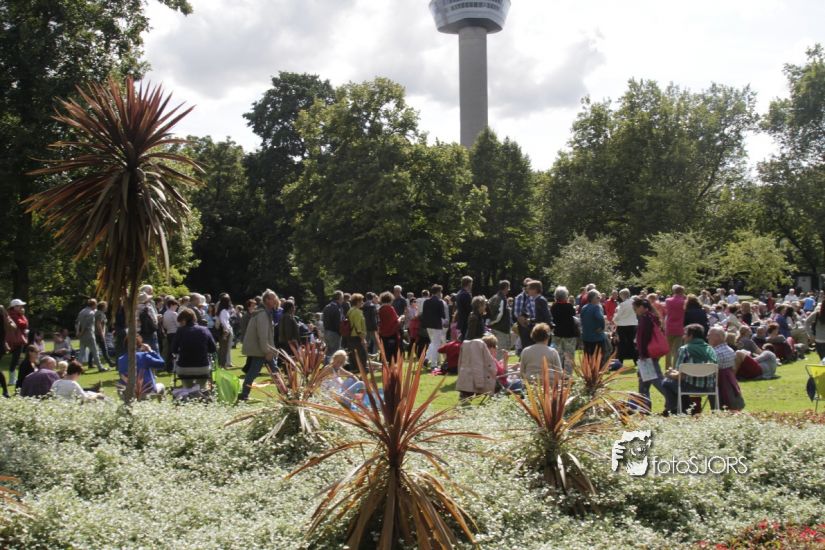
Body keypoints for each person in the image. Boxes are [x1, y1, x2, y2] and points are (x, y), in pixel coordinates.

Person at [661, 324, 717, 415]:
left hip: (690, 387)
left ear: (691, 336)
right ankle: (682, 407)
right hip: (709, 387)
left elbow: (681, 376)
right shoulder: (711, 350)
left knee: (666, 382)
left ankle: (672, 409)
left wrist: (669, 374)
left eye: (685, 334)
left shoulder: (684, 350)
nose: (683, 337)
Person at [240, 290, 279, 401]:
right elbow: (262, 335)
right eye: (273, 298)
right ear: (266, 300)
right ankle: (244, 394)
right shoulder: (262, 314)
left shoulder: (265, 313)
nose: (276, 300)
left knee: (273, 371)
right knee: (255, 373)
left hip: (264, 349)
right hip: (262, 350)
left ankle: (244, 394)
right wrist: (267, 351)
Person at [633, 297, 666, 413]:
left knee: (657, 381)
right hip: (649, 354)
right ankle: (644, 408)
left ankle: (674, 400)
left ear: (642, 307)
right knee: (643, 383)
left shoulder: (646, 319)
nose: (635, 311)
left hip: (647, 355)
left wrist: (642, 354)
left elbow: (644, 338)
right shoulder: (651, 317)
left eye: (635, 309)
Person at [173, 307, 216, 389]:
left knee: (188, 387)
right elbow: (213, 348)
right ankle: (200, 391)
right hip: (202, 367)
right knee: (201, 387)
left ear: (184, 320)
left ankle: (189, 391)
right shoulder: (205, 330)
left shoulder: (180, 331)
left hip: (184, 367)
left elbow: (174, 350)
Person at [550, 286, 577, 375]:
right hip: (569, 334)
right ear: (566, 296)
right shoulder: (569, 306)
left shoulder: (553, 307)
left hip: (557, 333)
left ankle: (558, 373)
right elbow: (574, 314)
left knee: (558, 355)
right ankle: (568, 375)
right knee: (569, 355)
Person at [76, 299, 106, 372]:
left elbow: (77, 323)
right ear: (94, 304)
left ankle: (78, 368)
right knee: (95, 352)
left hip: (82, 336)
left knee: (81, 353)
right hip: (89, 335)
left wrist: (78, 332)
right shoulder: (91, 313)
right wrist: (82, 332)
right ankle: (100, 367)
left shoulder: (81, 311)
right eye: (96, 304)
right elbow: (86, 326)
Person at [421, 285, 447, 369]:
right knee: (436, 344)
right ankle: (433, 364)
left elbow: (424, 314)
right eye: (441, 291)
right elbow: (442, 315)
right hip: (437, 325)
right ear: (438, 292)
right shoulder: (439, 302)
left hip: (428, 325)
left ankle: (426, 359)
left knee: (433, 343)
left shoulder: (426, 301)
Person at [486, 280, 512, 361]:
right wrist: (491, 323)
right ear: (506, 287)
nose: (509, 290)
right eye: (508, 287)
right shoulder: (501, 298)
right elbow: (499, 314)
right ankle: (499, 368)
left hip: (496, 328)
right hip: (500, 329)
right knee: (500, 351)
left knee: (497, 351)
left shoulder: (494, 297)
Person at [6, 299, 29, 386]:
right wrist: (23, 315)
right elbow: (23, 324)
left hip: (15, 339)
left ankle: (13, 378)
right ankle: (12, 379)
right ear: (15, 307)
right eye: (20, 306)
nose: (22, 308)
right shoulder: (14, 315)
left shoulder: (13, 314)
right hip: (16, 340)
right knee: (15, 359)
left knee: (16, 359)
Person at [581, 289, 609, 360]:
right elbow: (600, 318)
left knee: (588, 359)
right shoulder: (596, 307)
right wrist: (602, 328)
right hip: (596, 338)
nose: (599, 299)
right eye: (598, 297)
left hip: (586, 337)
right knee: (598, 360)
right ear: (592, 298)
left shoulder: (584, 307)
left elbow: (582, 320)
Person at [664, 285, 687, 371]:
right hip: (679, 327)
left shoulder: (668, 300)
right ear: (682, 292)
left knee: (668, 350)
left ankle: (667, 368)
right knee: (677, 350)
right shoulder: (684, 302)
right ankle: (675, 368)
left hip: (669, 326)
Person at [613, 289, 638, 364]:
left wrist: (614, 320)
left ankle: (620, 361)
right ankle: (636, 360)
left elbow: (618, 316)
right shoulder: (634, 303)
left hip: (622, 325)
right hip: (633, 325)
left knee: (622, 344)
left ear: (622, 295)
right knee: (632, 343)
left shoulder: (622, 304)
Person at [378, 291, 403, 362]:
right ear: (390, 299)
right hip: (391, 333)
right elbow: (396, 321)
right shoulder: (390, 308)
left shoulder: (380, 309)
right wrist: (401, 317)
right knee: (392, 352)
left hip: (382, 333)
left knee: (384, 350)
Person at [345, 294, 368, 370]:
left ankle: (354, 370)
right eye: (361, 301)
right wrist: (363, 339)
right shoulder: (357, 312)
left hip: (350, 336)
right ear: (357, 302)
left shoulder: (350, 310)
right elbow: (358, 327)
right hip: (357, 337)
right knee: (362, 356)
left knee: (352, 355)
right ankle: (362, 370)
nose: (363, 302)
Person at [322, 291, 344, 362]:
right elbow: (338, 322)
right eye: (342, 298)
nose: (343, 300)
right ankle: (333, 367)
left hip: (326, 332)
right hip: (334, 333)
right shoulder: (337, 308)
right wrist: (340, 333)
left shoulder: (326, 307)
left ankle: (326, 366)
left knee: (328, 352)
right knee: (335, 353)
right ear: (339, 298)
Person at [216, 294, 234, 367]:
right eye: (229, 301)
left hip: (225, 330)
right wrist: (227, 330)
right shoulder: (223, 311)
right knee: (224, 348)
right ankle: (222, 364)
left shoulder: (224, 310)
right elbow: (224, 322)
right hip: (225, 331)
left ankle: (223, 364)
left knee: (224, 348)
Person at [162, 297, 179, 372]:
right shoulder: (174, 313)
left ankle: (168, 367)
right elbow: (178, 324)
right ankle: (173, 367)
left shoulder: (165, 313)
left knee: (170, 351)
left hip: (169, 333)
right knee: (175, 351)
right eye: (176, 305)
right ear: (172, 305)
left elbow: (164, 325)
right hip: (175, 333)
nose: (177, 307)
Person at [455, 276, 473, 340]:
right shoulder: (466, 294)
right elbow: (469, 309)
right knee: (465, 340)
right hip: (466, 321)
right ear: (469, 283)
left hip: (460, 320)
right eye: (471, 283)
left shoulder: (459, 293)